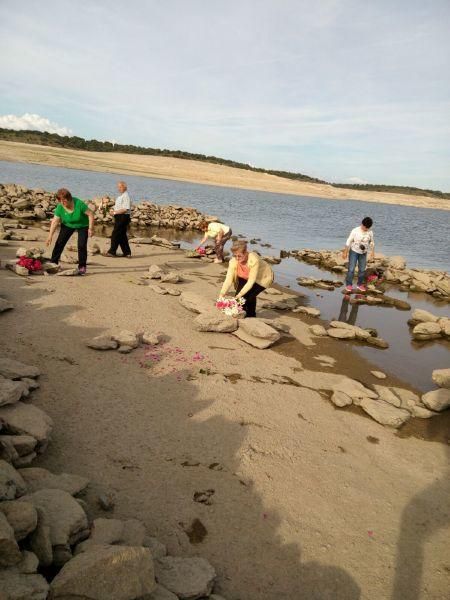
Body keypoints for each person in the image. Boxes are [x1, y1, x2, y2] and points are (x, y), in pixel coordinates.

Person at [219, 241, 273, 317]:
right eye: (235, 256)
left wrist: (239, 295)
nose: (237, 258)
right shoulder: (233, 261)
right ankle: (242, 314)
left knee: (247, 296)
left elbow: (251, 281)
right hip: (243, 276)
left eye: (239, 256)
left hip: (262, 278)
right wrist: (222, 294)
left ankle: (251, 315)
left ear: (246, 252)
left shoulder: (253, 259)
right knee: (241, 300)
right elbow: (228, 280)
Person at [46, 188, 94, 275]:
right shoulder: (60, 207)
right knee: (59, 242)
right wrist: (50, 236)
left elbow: (90, 214)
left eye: (64, 201)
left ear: (70, 199)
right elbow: (55, 222)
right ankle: (53, 263)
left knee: (81, 245)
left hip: (82, 225)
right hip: (68, 224)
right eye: (60, 201)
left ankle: (82, 267)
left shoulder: (79, 204)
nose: (62, 203)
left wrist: (90, 228)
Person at [342, 217, 375, 293]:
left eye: (367, 228)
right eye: (365, 227)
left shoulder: (370, 232)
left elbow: (372, 242)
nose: (365, 229)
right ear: (362, 224)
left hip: (363, 253)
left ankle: (359, 284)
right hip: (354, 251)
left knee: (362, 270)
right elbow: (348, 241)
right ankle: (348, 284)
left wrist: (373, 252)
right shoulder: (355, 231)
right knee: (351, 269)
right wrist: (345, 252)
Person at [104, 181, 132, 257]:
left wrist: (114, 213)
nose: (118, 188)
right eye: (118, 187)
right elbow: (119, 207)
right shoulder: (122, 196)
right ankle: (127, 253)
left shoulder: (126, 196)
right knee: (122, 235)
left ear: (125, 187)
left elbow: (125, 209)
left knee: (115, 234)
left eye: (120, 187)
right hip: (120, 216)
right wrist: (112, 211)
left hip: (123, 216)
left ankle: (112, 252)